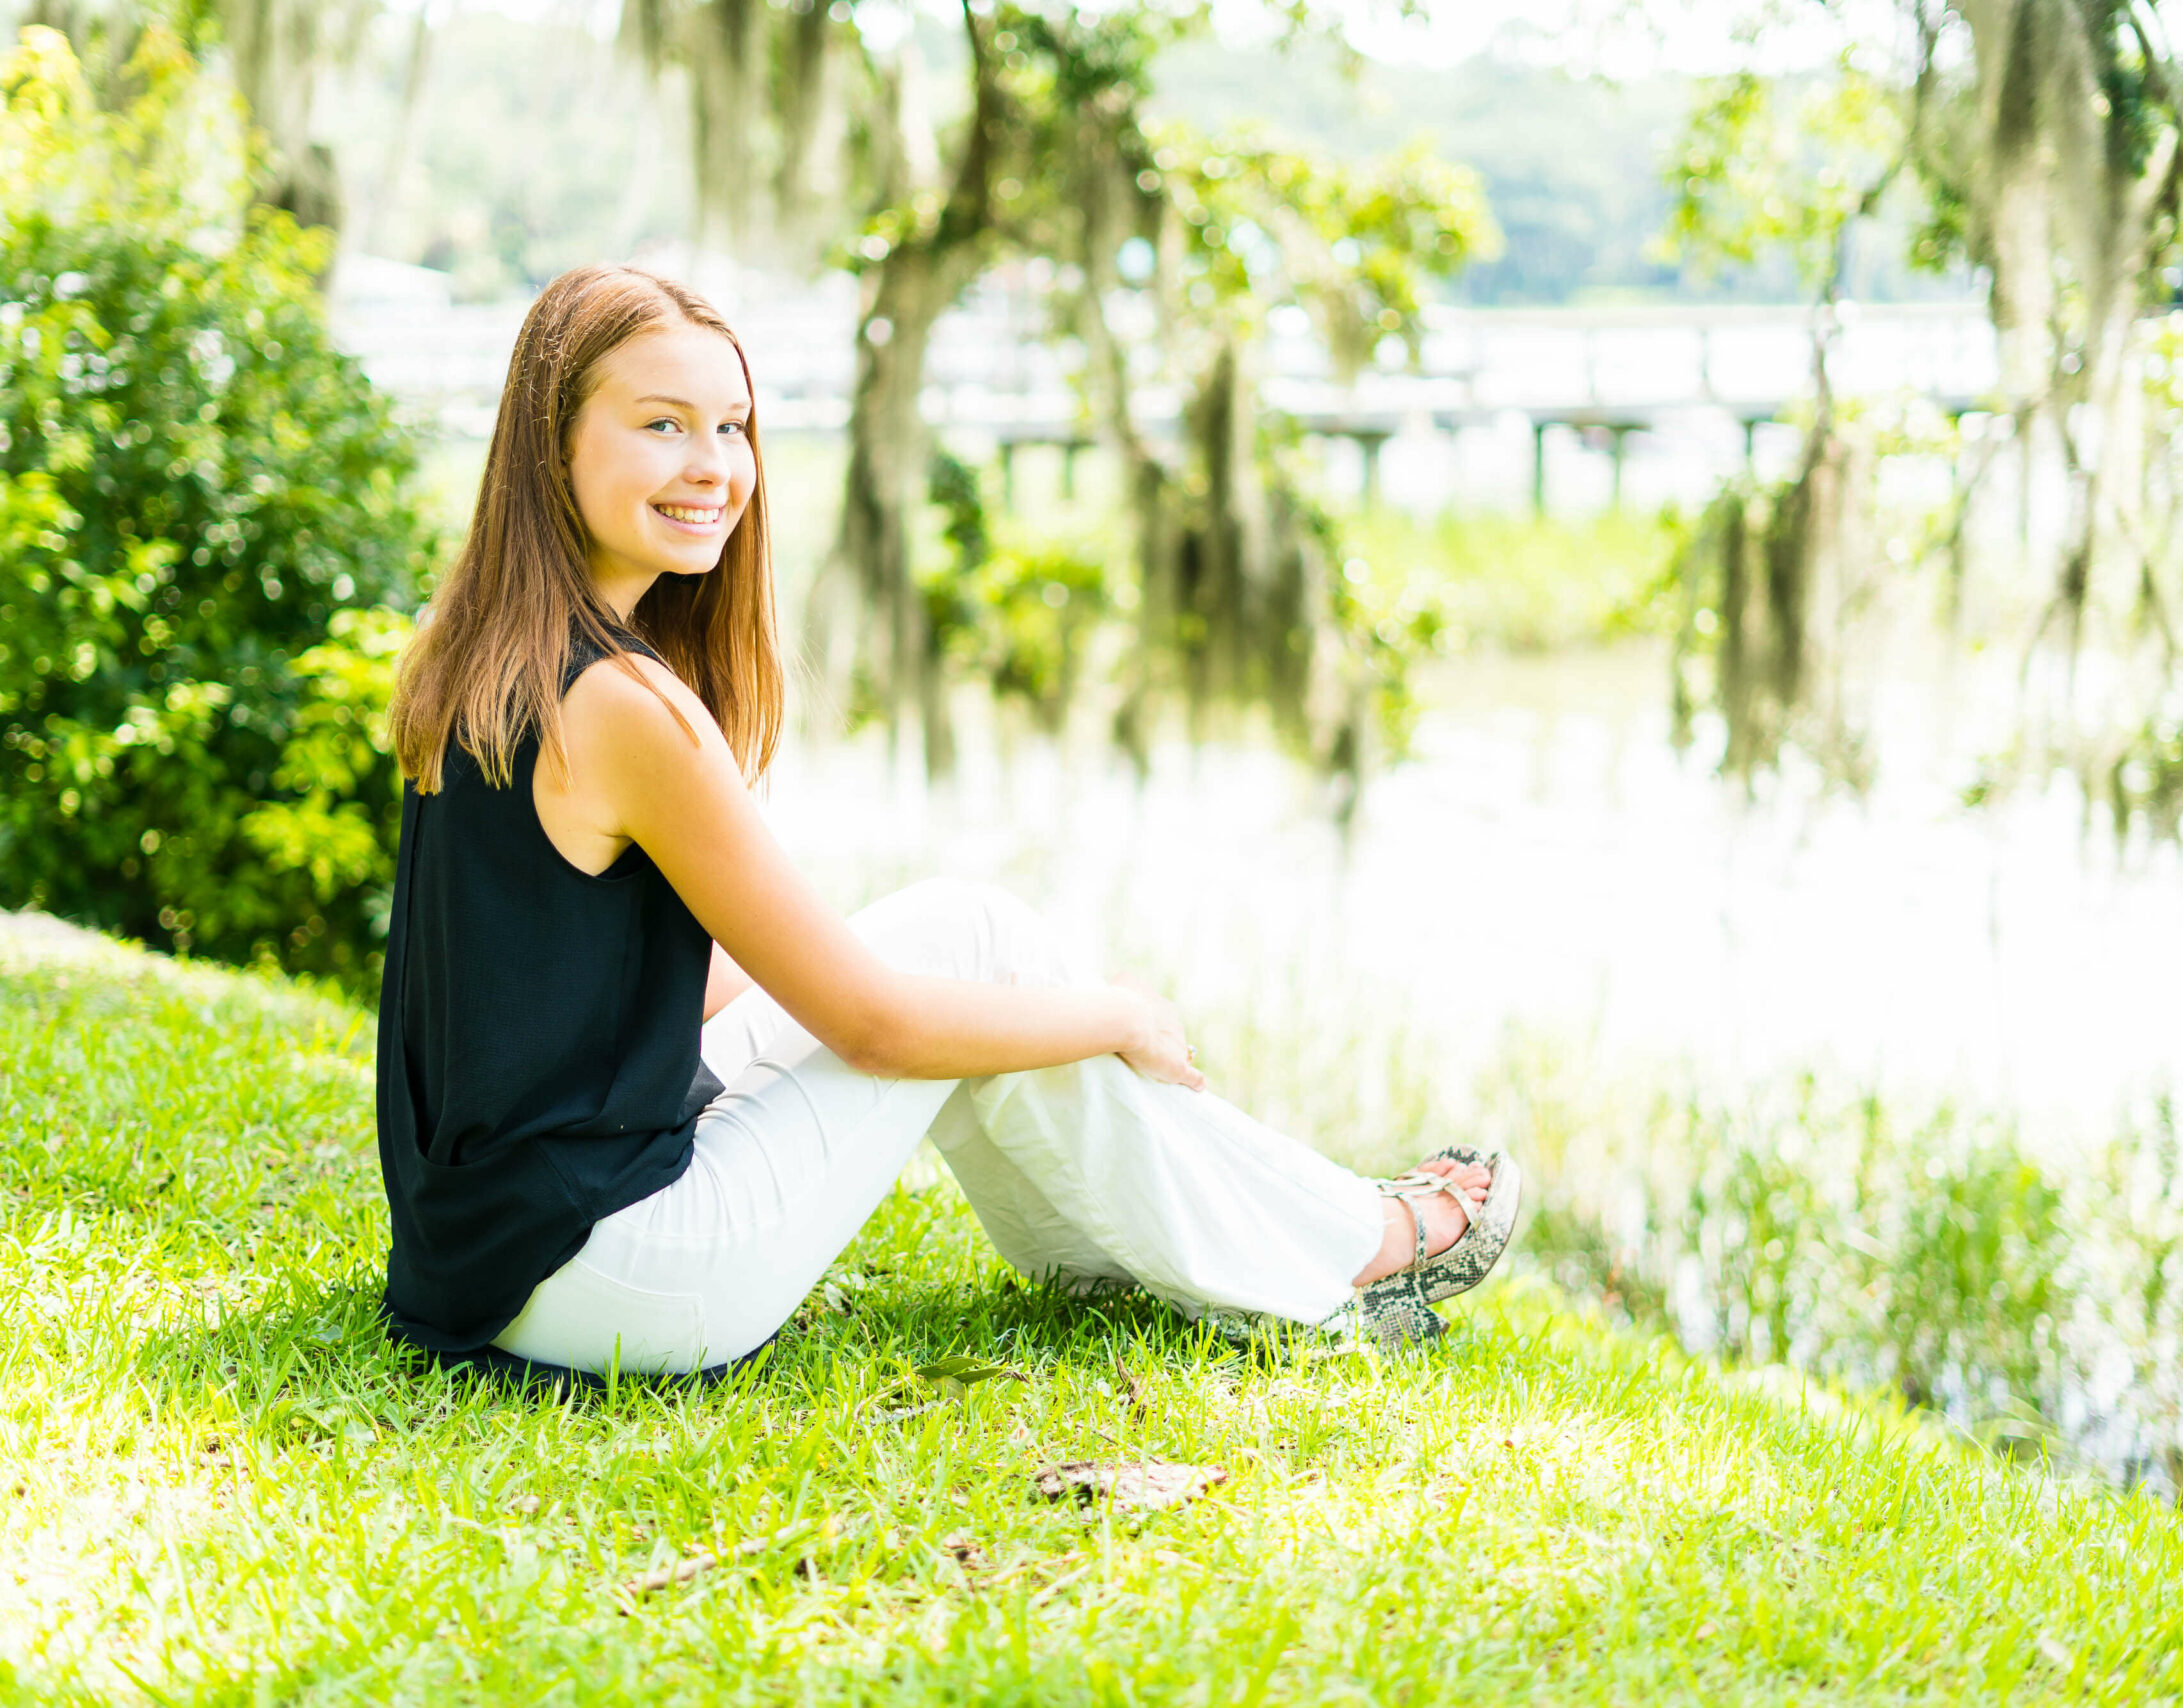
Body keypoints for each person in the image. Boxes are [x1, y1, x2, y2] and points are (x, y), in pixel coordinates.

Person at [374, 264, 1521, 1380]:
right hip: (616, 1277)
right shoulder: (624, 706)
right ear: (552, 442)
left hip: (480, 1259)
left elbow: (607, 981)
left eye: (734, 427)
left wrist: (904, 1011)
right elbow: (876, 1030)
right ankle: (1355, 1242)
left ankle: (1145, 1244)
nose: (715, 467)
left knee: (959, 930)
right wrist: (1112, 1013)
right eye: (662, 425)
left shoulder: (475, 646)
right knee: (966, 965)